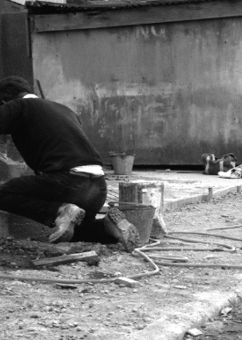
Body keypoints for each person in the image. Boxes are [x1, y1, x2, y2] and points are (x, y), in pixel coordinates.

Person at [0, 75, 139, 251]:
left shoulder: (20, 106)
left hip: (67, 182)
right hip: (97, 186)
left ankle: (60, 210)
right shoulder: (64, 110)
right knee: (78, 233)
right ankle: (108, 226)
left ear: (5, 100)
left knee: (3, 194)